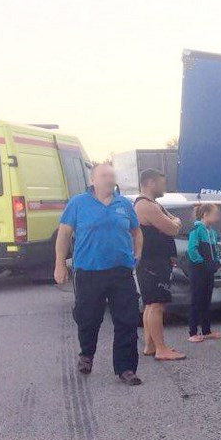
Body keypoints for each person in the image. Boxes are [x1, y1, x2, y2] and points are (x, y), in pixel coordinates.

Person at [53, 163, 144, 385]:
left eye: (112, 175)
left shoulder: (124, 204)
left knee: (127, 319)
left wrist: (136, 257)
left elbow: (137, 232)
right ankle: (86, 354)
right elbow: (64, 234)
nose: (109, 179)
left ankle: (126, 368)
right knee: (88, 317)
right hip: (88, 271)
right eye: (104, 175)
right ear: (93, 180)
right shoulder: (78, 203)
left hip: (121, 271)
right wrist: (59, 264)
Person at [133, 168, 184, 360]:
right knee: (156, 305)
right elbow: (173, 228)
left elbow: (173, 221)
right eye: (162, 183)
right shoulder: (147, 206)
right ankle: (161, 349)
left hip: (153, 262)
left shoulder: (154, 204)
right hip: (152, 263)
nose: (164, 187)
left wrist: (174, 221)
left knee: (150, 305)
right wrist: (174, 222)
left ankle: (150, 345)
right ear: (151, 183)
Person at [186, 202, 221, 343]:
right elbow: (192, 250)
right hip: (198, 271)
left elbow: (215, 250)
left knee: (207, 300)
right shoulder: (196, 230)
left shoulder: (212, 233)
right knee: (197, 300)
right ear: (205, 215)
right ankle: (192, 332)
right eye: (215, 214)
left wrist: (216, 261)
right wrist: (202, 262)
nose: (218, 217)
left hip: (209, 271)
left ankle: (207, 330)